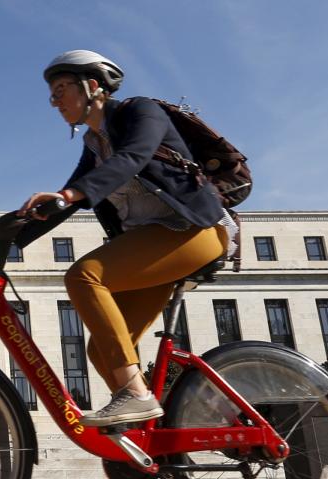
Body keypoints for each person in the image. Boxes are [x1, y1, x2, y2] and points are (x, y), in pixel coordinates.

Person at [17, 50, 236, 427]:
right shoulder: (94, 145)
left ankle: (134, 394)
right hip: (154, 244)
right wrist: (1, 240)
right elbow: (67, 201)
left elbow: (132, 158)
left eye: (61, 89)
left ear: (93, 86)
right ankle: (165, 443)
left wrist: (70, 195)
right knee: (102, 353)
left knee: (84, 275)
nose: (54, 101)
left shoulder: (141, 111)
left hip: (196, 230)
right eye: (52, 94)